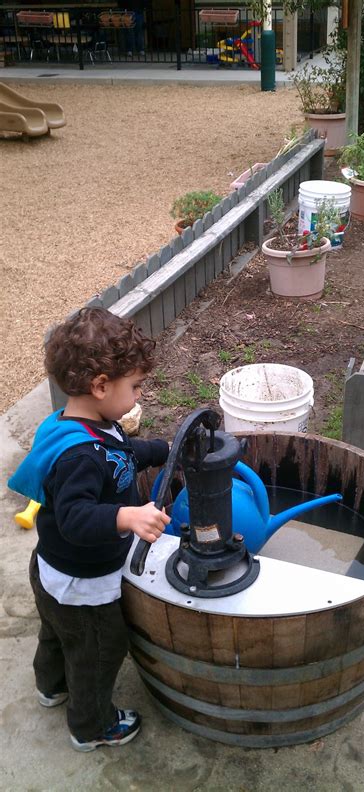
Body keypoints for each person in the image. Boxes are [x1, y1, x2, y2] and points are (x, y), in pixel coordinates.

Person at [8, 308, 170, 752]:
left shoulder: (82, 423)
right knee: (97, 653)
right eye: (135, 386)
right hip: (84, 583)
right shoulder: (79, 456)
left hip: (51, 571)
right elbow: (78, 518)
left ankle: (50, 686)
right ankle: (92, 725)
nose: (139, 394)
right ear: (101, 386)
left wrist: (161, 449)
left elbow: (121, 450)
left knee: (57, 636)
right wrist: (127, 517)